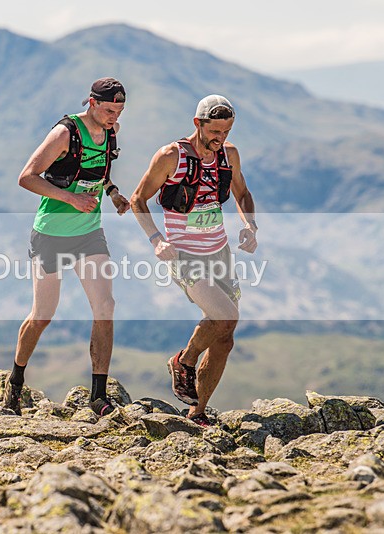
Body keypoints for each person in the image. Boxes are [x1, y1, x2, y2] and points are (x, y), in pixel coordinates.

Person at [2, 77, 131, 417]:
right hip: (51, 234)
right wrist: (70, 198)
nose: (113, 117)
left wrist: (114, 193)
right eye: (107, 110)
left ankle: (99, 396)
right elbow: (27, 176)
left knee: (105, 306)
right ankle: (15, 381)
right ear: (91, 102)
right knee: (43, 315)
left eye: (118, 111)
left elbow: (100, 174)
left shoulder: (110, 131)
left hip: (89, 233)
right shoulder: (66, 133)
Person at [129, 95, 258, 427]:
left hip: (219, 252)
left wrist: (249, 225)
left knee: (226, 334)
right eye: (214, 131)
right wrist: (156, 240)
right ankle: (183, 361)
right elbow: (138, 199)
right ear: (197, 124)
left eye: (226, 132)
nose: (221, 139)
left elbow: (242, 194)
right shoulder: (171, 156)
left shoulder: (228, 155)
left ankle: (197, 413)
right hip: (183, 253)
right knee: (224, 314)